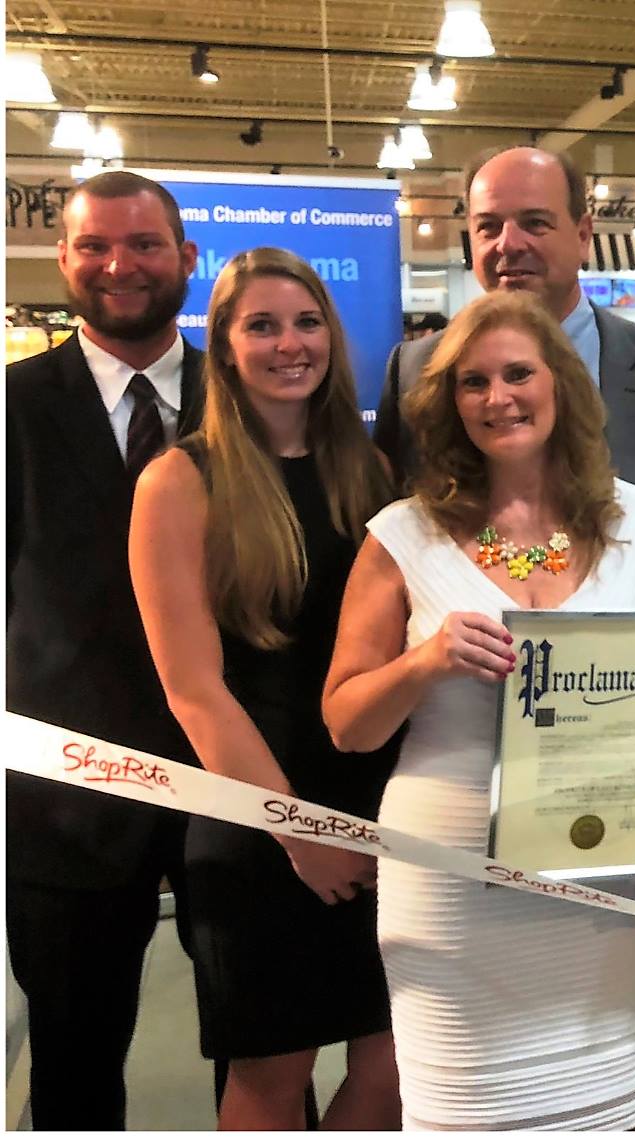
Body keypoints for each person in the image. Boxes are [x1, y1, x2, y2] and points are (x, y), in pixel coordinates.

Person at [371, 146, 635, 1125]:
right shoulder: (420, 370)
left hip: (627, 781)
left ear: (584, 231)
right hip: (459, 802)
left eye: (534, 221)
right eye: (487, 225)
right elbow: (396, 553)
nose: (508, 244)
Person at [322, 289, 635, 1129]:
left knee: (605, 1114)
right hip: (452, 886)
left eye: (518, 374)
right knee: (464, 1110)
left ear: (560, 383)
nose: (498, 398)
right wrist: (425, 663)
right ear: (447, 403)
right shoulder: (403, 536)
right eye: (472, 382)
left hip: (600, 881)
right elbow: (347, 723)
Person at [127, 247, 401, 1129]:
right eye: (263, 325)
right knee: (270, 1081)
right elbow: (193, 690)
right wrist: (298, 834)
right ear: (226, 346)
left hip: (385, 805)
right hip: (258, 823)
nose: (291, 344)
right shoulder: (181, 481)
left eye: (308, 321)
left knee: (397, 1066)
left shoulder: (371, 471)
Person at [5, 170, 207, 1130]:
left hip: (234, 783)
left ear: (186, 260)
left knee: (265, 1048)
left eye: (145, 245)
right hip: (63, 798)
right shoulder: (12, 408)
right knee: (76, 1069)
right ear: (65, 260)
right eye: (95, 246)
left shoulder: (250, 393)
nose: (120, 265)